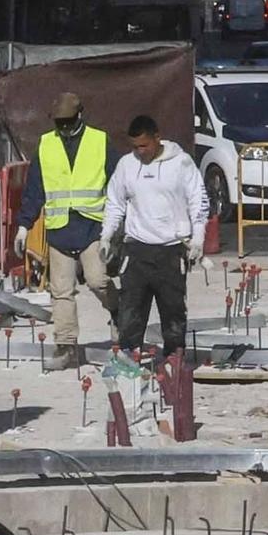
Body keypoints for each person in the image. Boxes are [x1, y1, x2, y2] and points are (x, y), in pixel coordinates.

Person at [17, 92, 117, 372]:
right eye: (59, 122)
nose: (63, 127)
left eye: (68, 121)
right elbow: (35, 188)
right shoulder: (47, 144)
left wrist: (120, 225)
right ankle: (66, 347)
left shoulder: (99, 141)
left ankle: (119, 312)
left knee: (98, 280)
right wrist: (24, 226)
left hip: (92, 225)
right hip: (60, 229)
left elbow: (119, 182)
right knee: (61, 291)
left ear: (80, 116)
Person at [102, 114, 208, 359]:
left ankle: (174, 359)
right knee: (131, 309)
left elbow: (198, 201)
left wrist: (198, 238)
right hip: (136, 249)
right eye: (135, 147)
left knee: (173, 311)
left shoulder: (181, 163)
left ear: (157, 138)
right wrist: (107, 235)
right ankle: (129, 359)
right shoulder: (127, 165)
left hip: (171, 250)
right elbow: (115, 203)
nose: (140, 152)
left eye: (144, 145)